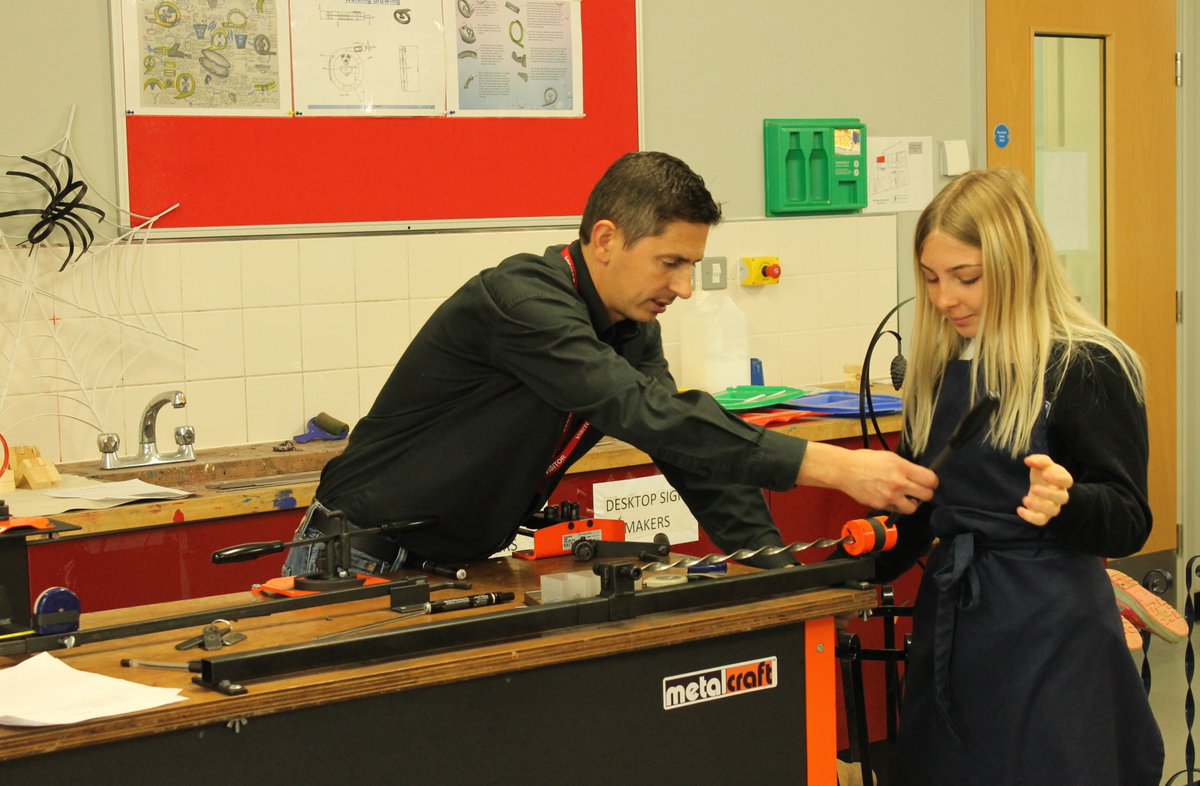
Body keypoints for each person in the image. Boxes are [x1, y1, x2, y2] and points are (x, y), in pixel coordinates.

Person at [282, 151, 936, 578]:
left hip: (452, 560)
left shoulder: (629, 326)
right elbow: (636, 408)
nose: (683, 288)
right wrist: (835, 466)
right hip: (358, 553)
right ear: (605, 239)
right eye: (670, 262)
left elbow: (680, 442)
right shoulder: (522, 303)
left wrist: (774, 572)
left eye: (691, 266)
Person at [875, 168, 1163, 786]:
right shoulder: (935, 368)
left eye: (967, 278)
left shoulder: (1085, 363)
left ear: (1016, 265)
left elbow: (1128, 518)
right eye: (931, 279)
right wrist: (852, 562)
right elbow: (921, 517)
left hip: (1051, 636)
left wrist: (1065, 503)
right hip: (954, 630)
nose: (946, 298)